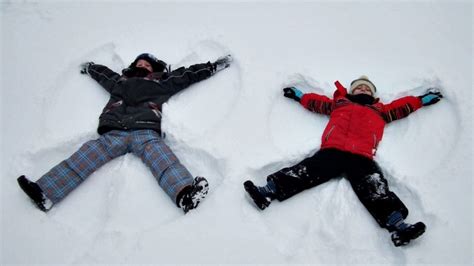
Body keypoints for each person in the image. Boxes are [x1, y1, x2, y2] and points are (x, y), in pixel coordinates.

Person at [17, 53, 233, 213]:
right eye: (139, 63)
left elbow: (187, 75)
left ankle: (185, 194)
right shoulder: (120, 82)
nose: (142, 66)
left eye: (147, 64)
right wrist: (91, 67)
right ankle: (45, 192)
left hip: (144, 129)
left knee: (162, 159)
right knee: (87, 154)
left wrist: (212, 67)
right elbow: (105, 75)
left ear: (154, 69)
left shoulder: (162, 82)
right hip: (114, 131)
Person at [243, 75, 443, 246]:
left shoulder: (380, 111)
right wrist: (300, 96)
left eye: (367, 88)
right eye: (358, 87)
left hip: (362, 157)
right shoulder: (339, 103)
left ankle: (398, 225)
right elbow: (317, 103)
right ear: (351, 92)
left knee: (375, 187)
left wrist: (421, 100)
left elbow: (402, 107)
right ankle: (267, 192)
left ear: (373, 95)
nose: (363, 88)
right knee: (305, 171)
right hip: (333, 151)